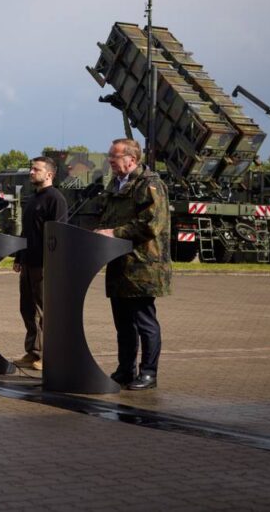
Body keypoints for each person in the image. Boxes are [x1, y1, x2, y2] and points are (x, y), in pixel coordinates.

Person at [95, 138, 171, 390]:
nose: (110, 161)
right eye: (110, 156)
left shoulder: (150, 185)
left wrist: (113, 234)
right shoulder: (114, 185)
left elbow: (152, 224)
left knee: (144, 321)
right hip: (118, 264)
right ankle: (125, 369)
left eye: (114, 157)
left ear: (131, 159)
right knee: (123, 324)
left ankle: (148, 373)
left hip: (143, 266)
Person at [12, 156, 68, 371]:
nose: (31, 172)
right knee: (27, 309)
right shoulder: (33, 198)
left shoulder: (55, 199)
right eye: (31, 168)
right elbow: (27, 232)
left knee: (46, 312)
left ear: (49, 174)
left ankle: (49, 356)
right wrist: (19, 257)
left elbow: (59, 234)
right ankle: (33, 352)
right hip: (28, 262)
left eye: (36, 169)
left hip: (45, 265)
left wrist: (54, 263)